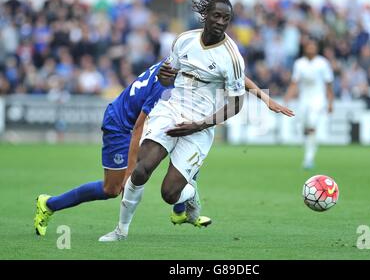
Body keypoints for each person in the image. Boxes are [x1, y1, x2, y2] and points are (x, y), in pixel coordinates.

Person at [99, 0, 294, 242]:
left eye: (226, 19)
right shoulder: (184, 40)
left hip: (200, 125)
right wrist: (164, 77)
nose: (221, 22)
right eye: (217, 16)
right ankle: (121, 231)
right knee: (140, 171)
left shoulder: (232, 57)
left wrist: (199, 125)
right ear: (205, 16)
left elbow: (236, 104)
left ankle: (188, 193)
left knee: (169, 194)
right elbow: (167, 76)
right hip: (170, 111)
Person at [34, 56, 293, 237]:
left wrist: (266, 99)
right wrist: (128, 173)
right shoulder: (167, 87)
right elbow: (138, 127)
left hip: (138, 121)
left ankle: (180, 210)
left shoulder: (185, 64)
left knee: (183, 146)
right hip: (121, 124)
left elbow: (236, 77)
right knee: (112, 189)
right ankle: (49, 204)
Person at [284, 39, 333, 170]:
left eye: (313, 46)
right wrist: (287, 97)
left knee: (312, 123)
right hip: (304, 99)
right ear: (305, 48)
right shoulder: (299, 63)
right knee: (305, 126)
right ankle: (308, 150)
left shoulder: (323, 63)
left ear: (317, 48)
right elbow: (294, 83)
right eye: (309, 46)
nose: (311, 48)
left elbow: (328, 84)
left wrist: (330, 102)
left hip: (318, 98)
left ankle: (309, 158)